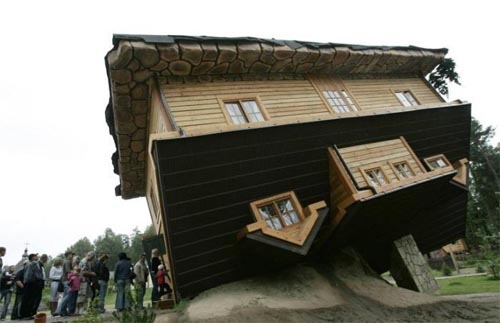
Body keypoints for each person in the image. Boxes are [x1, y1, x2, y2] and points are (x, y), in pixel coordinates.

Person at [20, 254, 43, 319]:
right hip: (32, 283)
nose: (37, 257)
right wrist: (40, 279)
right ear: (33, 257)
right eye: (36, 256)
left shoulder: (27, 264)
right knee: (30, 299)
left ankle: (23, 314)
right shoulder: (33, 263)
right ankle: (27, 314)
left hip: (27, 282)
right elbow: (37, 274)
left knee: (26, 299)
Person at [54, 251, 74, 316]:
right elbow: (68, 271)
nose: (72, 256)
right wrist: (75, 271)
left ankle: (63, 311)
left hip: (64, 280)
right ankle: (59, 310)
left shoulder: (65, 261)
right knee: (68, 296)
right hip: (67, 280)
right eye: (71, 255)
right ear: (68, 255)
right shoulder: (68, 261)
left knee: (65, 296)